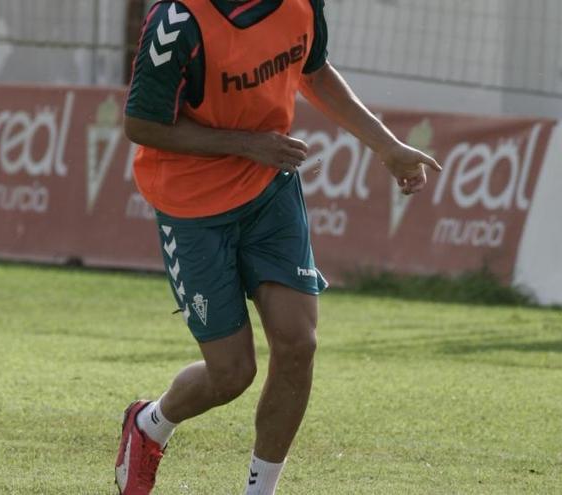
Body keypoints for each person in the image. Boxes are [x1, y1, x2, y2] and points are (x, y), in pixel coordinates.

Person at [115, 1, 441, 493]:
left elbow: (315, 71)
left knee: (298, 344)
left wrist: (386, 145)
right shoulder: (177, 20)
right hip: (193, 209)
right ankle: (149, 424)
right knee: (231, 374)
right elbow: (142, 125)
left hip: (269, 191)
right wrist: (246, 144)